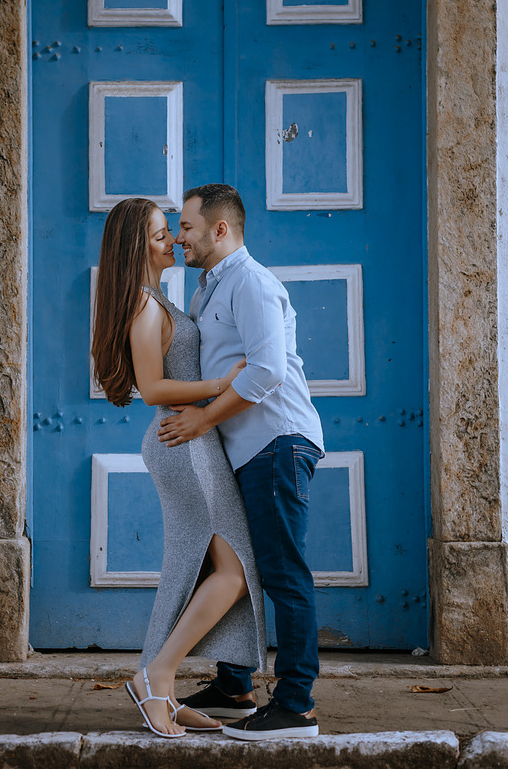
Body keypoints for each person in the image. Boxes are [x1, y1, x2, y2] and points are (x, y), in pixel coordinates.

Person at [91, 197, 267, 738]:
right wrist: (222, 385)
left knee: (196, 570)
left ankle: (160, 689)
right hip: (183, 445)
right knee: (233, 573)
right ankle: (158, 674)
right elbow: (152, 389)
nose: (173, 241)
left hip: (192, 442)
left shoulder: (159, 299)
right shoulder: (145, 307)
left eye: (171, 230)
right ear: (136, 249)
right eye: (160, 235)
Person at [158, 183, 326, 740]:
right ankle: (234, 686)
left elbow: (267, 370)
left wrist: (203, 420)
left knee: (282, 573)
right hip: (244, 448)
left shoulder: (251, 282)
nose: (178, 236)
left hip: (275, 442)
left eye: (186, 226)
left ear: (220, 229)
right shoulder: (210, 288)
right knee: (236, 569)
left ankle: (296, 706)